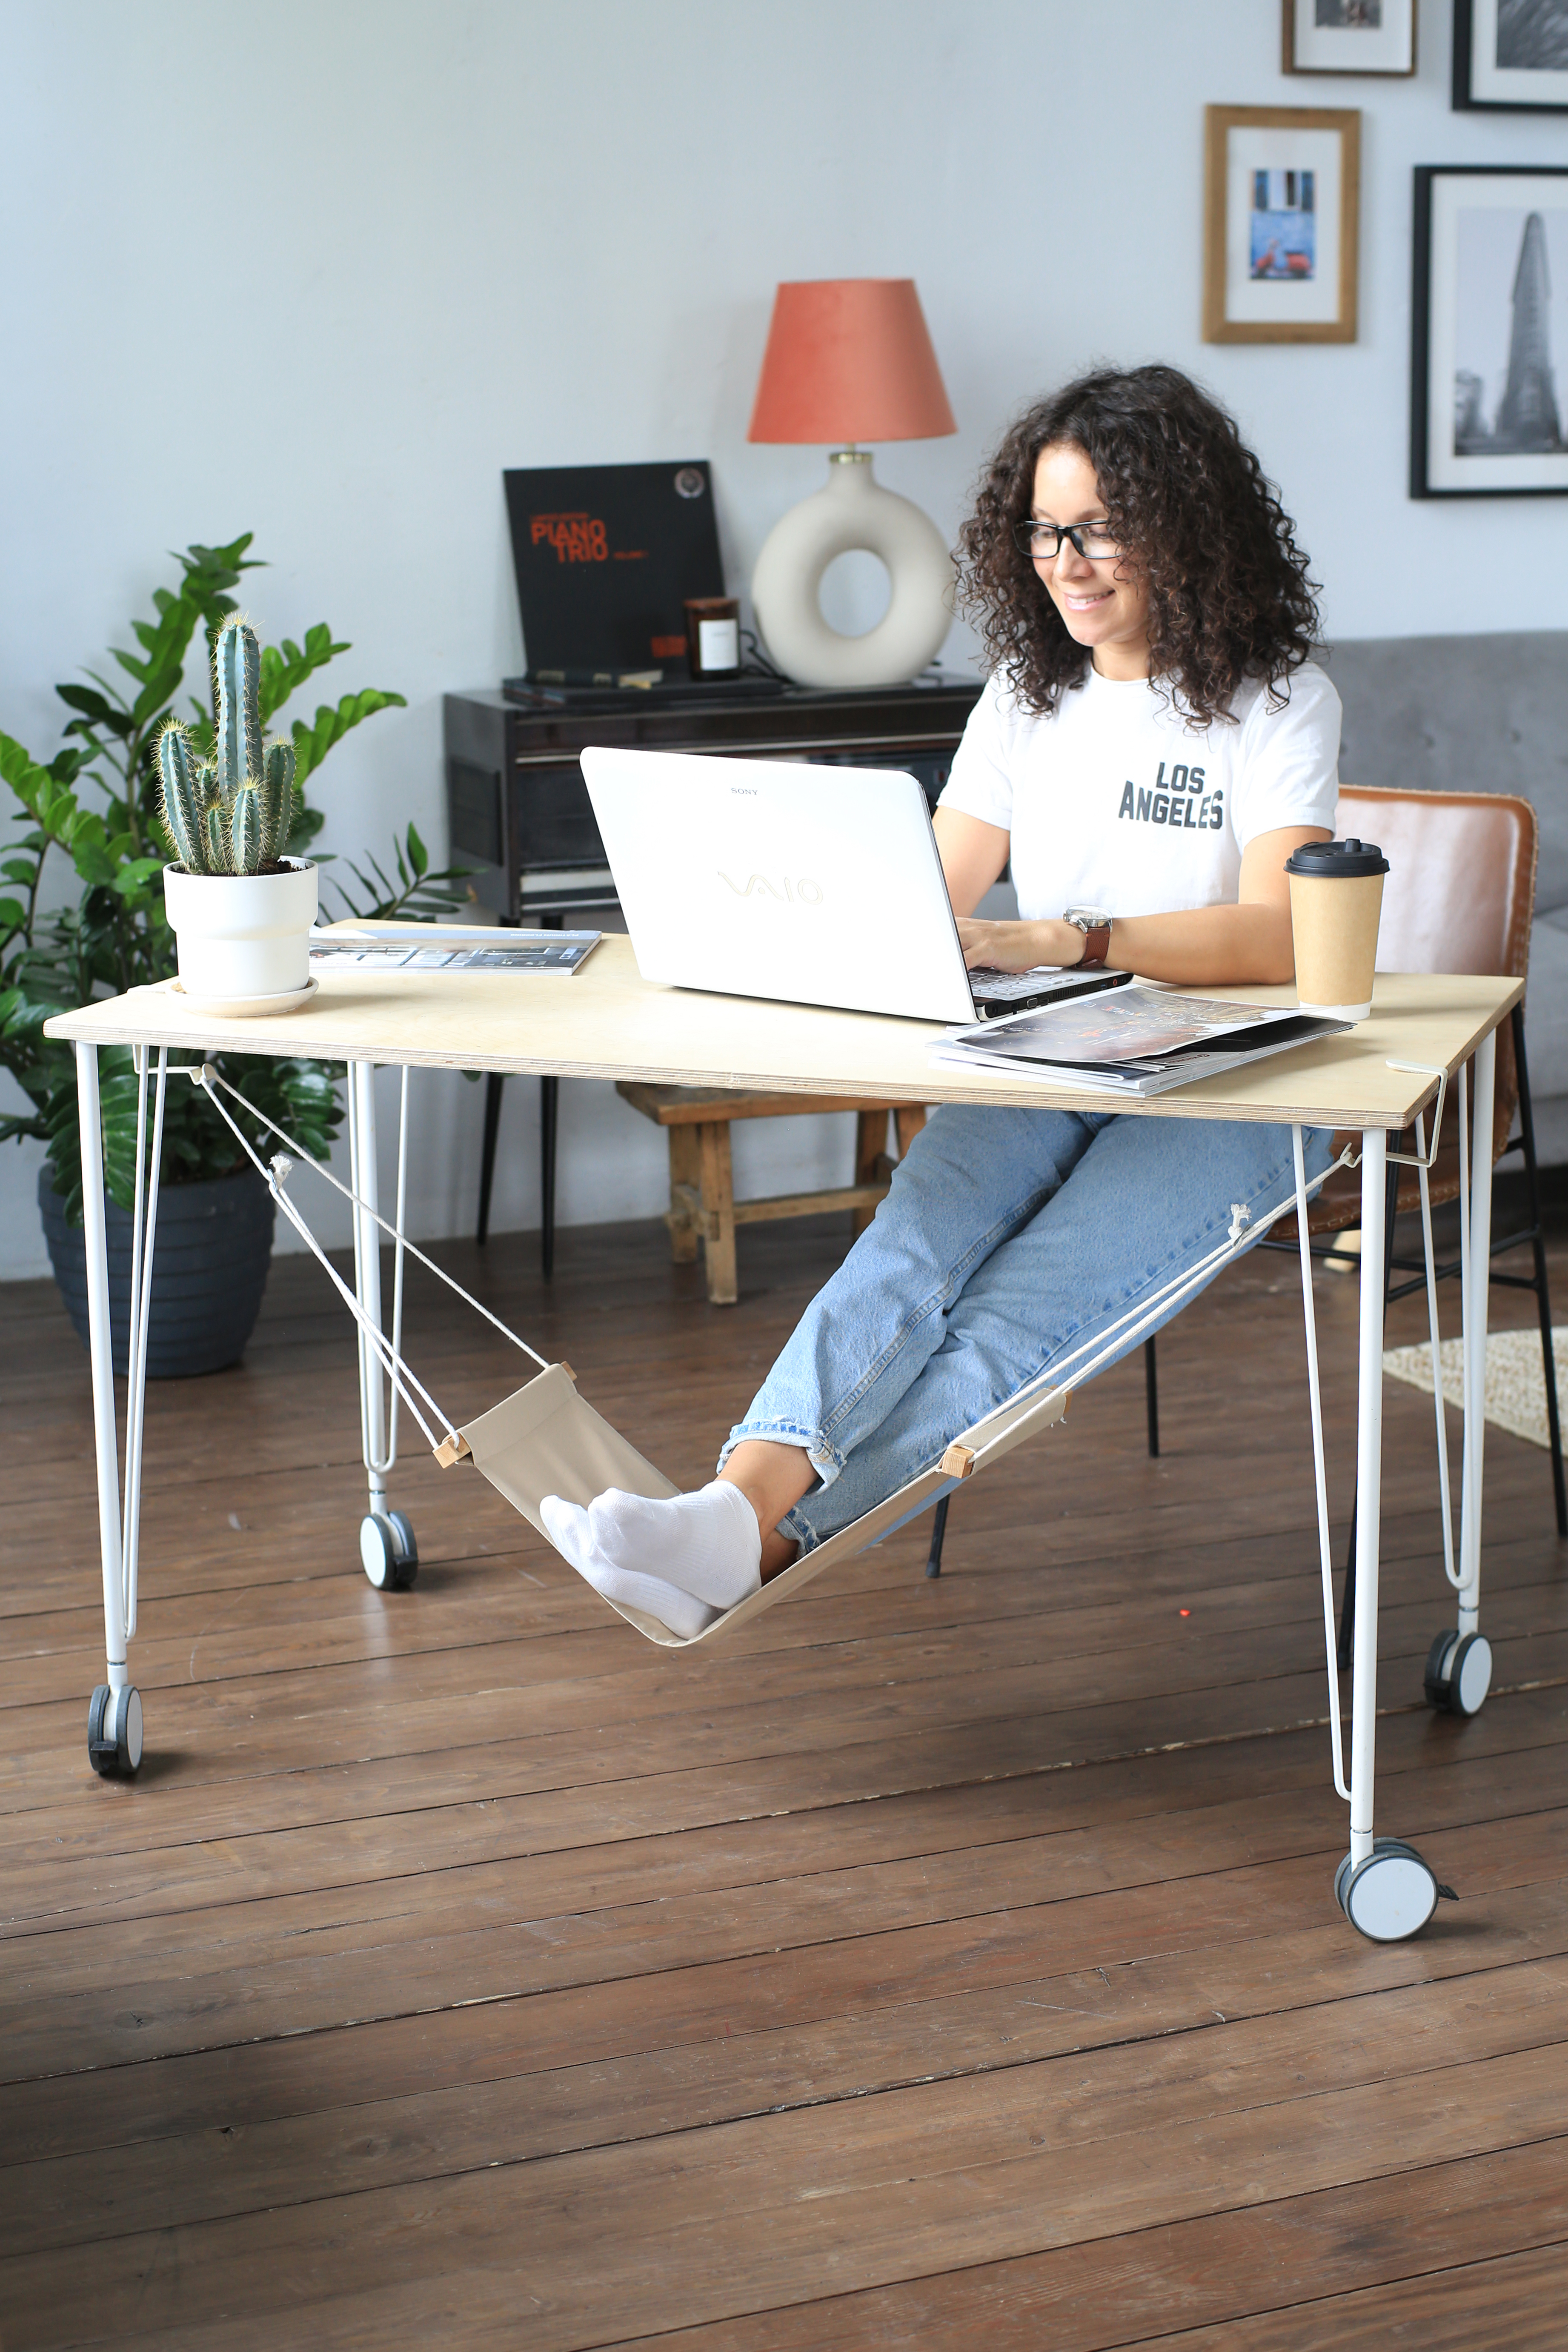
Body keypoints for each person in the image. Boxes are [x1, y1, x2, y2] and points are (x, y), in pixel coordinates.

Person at [543, 364, 1340, 1639]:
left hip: (1234, 1083)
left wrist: (1072, 938)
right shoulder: (1031, 696)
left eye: (1097, 529)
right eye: (1043, 532)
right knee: (909, 1249)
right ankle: (731, 1506)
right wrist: (801, 922)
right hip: (1055, 1048)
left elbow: (1275, 933)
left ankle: (752, 1532)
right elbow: (929, 893)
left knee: (1007, 1325)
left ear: (1186, 529)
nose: (1066, 564)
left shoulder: (1276, 699)